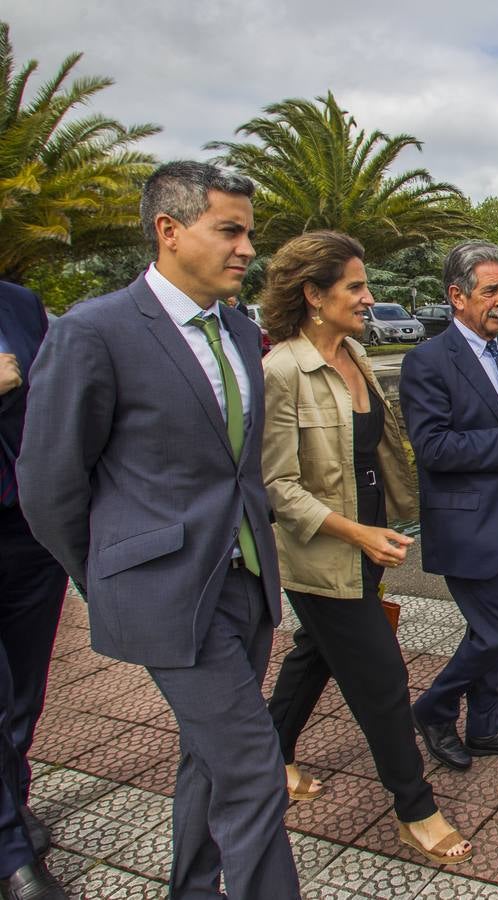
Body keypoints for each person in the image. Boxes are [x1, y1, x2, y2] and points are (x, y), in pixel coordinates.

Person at [18, 161, 300, 900]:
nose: (246, 248)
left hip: (244, 586)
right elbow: (48, 487)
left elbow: (236, 469)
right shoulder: (94, 331)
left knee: (208, 764)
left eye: (250, 233)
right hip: (166, 594)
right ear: (169, 232)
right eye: (229, 231)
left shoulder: (241, 332)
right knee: (251, 769)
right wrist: (111, 576)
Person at [258, 231, 471, 866]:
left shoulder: (352, 351)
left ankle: (271, 757)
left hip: (367, 547)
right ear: (313, 295)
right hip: (322, 554)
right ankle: (415, 809)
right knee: (382, 677)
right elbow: (276, 486)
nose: (368, 296)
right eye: (355, 286)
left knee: (314, 655)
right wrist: (357, 535)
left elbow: (374, 458)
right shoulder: (281, 371)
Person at [399, 241, 498, 770]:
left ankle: (487, 726)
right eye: (491, 291)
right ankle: (434, 709)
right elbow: (433, 449)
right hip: (468, 526)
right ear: (457, 296)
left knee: (488, 629)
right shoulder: (426, 362)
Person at [0, 282, 69, 900]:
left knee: (24, 691)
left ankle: (14, 807)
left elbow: (52, 408)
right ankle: (11, 854)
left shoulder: (19, 304)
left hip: (25, 531)